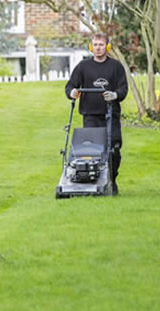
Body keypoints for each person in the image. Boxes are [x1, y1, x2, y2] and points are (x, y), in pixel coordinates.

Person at [64, 33, 128, 195]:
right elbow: (70, 85)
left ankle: (112, 180)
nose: (98, 48)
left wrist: (114, 95)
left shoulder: (116, 67)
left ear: (107, 47)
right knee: (91, 151)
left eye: (101, 45)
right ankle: (91, 181)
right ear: (91, 47)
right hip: (90, 115)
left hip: (110, 115)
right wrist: (72, 92)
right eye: (95, 45)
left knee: (114, 149)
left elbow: (123, 89)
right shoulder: (83, 67)